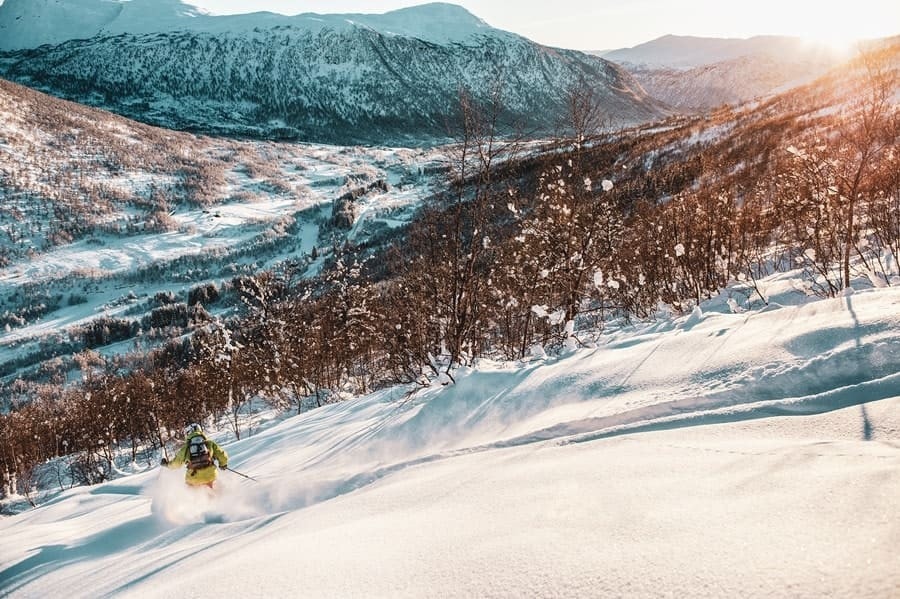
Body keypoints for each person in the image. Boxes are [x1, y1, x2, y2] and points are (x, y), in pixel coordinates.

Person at [162, 423, 228, 488]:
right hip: (211, 475)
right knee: (215, 489)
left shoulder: (186, 448)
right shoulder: (209, 443)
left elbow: (176, 463)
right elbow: (222, 455)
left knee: (192, 495)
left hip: (193, 478)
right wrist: (223, 464)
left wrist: (166, 464)